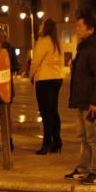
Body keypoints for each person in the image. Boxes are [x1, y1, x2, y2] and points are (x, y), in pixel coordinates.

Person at [64, 10, 96, 185]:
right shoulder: (85, 47)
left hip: (93, 102)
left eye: (79, 26)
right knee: (85, 137)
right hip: (83, 99)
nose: (76, 29)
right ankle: (84, 168)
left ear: (90, 29)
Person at [30, 18, 65, 154]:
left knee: (45, 113)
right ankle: (57, 142)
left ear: (45, 27)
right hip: (57, 78)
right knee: (54, 111)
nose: (40, 27)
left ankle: (46, 144)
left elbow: (36, 61)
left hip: (44, 79)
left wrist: (31, 75)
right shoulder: (58, 42)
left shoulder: (43, 41)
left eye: (42, 25)